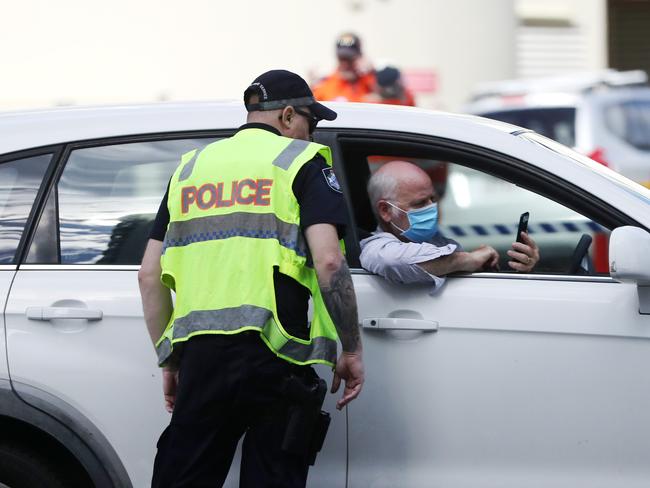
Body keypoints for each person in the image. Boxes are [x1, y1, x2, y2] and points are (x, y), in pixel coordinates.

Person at [138, 69, 364, 488]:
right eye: (310, 125)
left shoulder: (190, 168)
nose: (311, 137)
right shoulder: (301, 163)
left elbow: (149, 274)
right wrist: (350, 347)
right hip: (275, 355)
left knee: (183, 476)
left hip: (202, 359)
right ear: (289, 116)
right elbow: (330, 262)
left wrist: (169, 358)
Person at [360, 160, 540, 289]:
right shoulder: (374, 247)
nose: (432, 208)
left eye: (433, 199)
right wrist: (468, 259)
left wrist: (521, 271)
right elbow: (392, 262)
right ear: (385, 210)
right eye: (420, 203)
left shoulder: (438, 242)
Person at [312, 33, 376, 103]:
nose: (345, 65)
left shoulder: (371, 81)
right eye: (341, 59)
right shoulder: (325, 84)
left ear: (360, 57)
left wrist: (372, 71)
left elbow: (386, 98)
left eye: (349, 59)